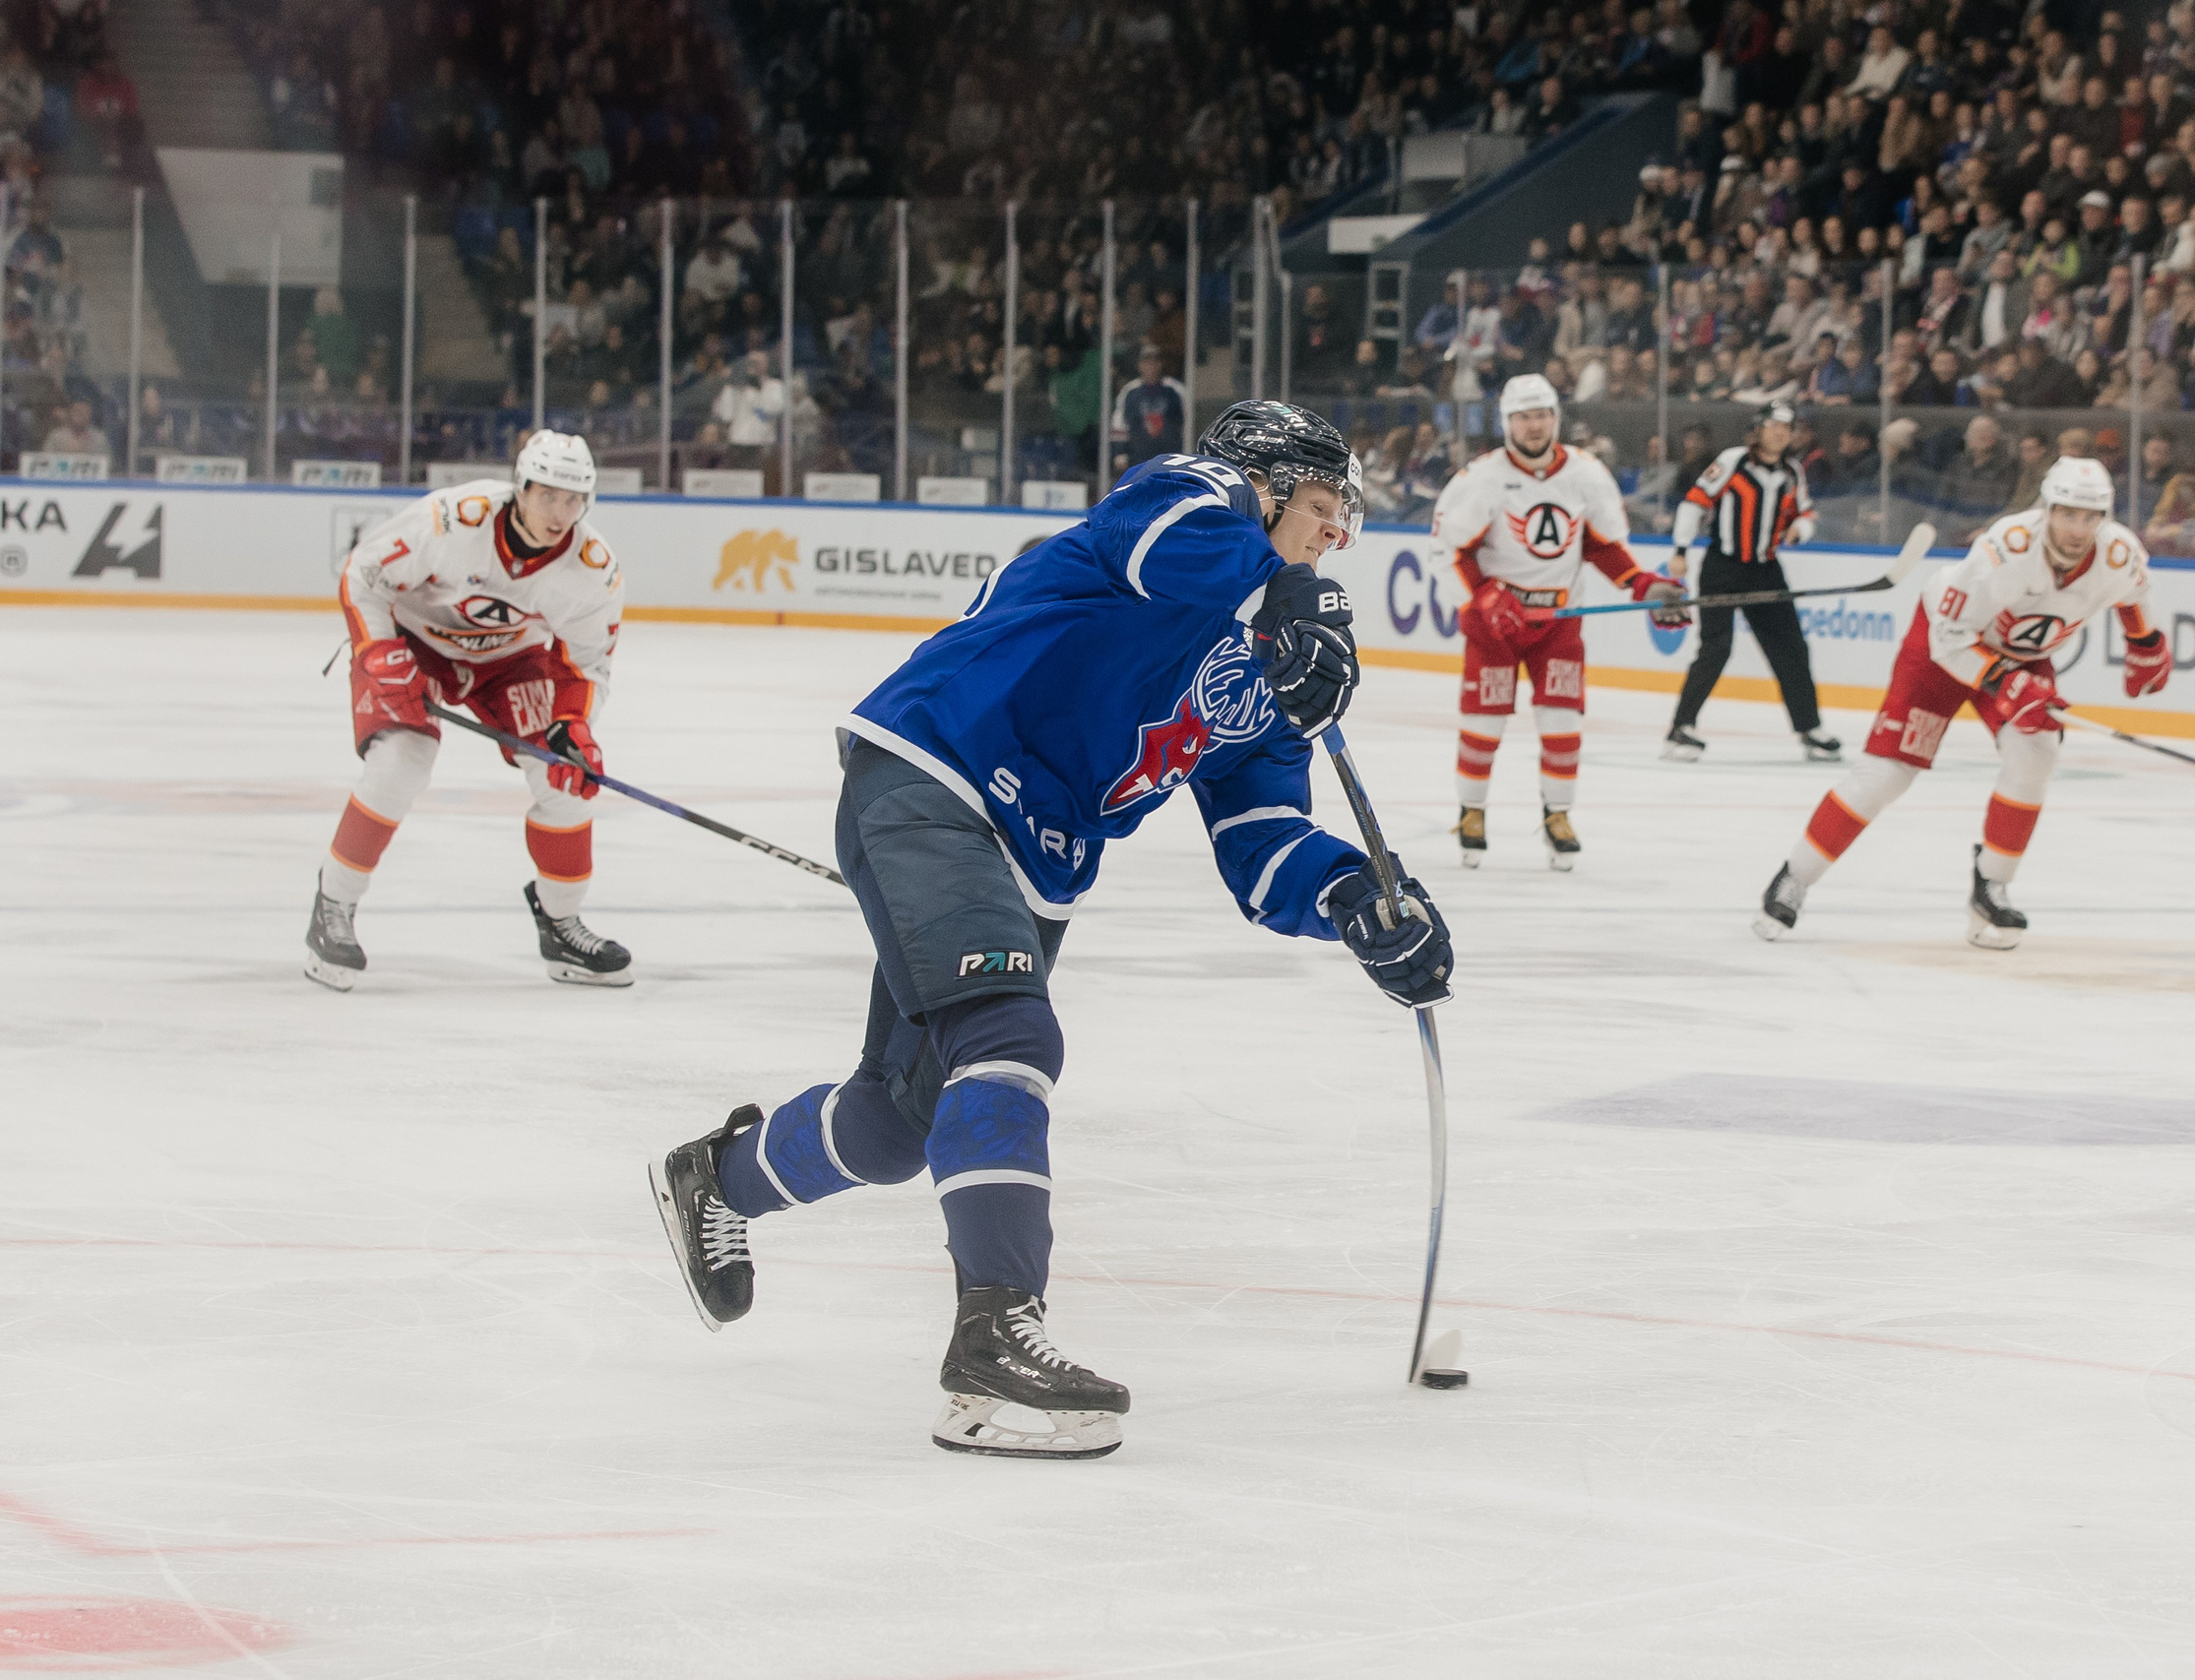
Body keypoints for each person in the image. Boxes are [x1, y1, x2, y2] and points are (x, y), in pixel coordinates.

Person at [647, 402, 1451, 1462]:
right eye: (1321, 505)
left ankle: (723, 1175)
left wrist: (1356, 896)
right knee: (1010, 1041)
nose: (1339, 532)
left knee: (898, 1122)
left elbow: (1261, 842)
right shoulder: (1188, 497)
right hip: (940, 772)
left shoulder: (1267, 670)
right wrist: (1296, 598)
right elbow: (1182, 544)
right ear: (1264, 483)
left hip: (1034, 861)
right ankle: (993, 1335)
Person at [1752, 457, 2169, 950]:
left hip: (2023, 660)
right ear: (2047, 508)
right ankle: (1795, 877)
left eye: (2090, 516)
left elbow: (2133, 593)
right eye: (2067, 514)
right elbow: (1949, 636)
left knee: (2035, 754)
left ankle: (1991, 884)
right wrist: (2002, 682)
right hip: (1942, 649)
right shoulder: (2005, 551)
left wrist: (2144, 644)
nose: (2078, 528)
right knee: (1887, 774)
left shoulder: (2118, 554)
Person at [304, 430, 630, 990]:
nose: (561, 512)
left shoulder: (593, 570)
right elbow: (365, 574)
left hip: (509, 663)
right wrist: (378, 653)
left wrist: (572, 725)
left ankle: (561, 922)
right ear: (520, 488)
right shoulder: (453, 520)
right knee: (402, 761)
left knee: (566, 780)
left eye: (574, 499)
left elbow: (586, 666)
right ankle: (333, 904)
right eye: (548, 494)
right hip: (411, 645)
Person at [1430, 374, 1680, 869]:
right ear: (1507, 423)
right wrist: (1484, 596)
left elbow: (1602, 545)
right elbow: (1449, 549)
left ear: (1556, 418)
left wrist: (1642, 584)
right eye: (1523, 417)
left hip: (1559, 620)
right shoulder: (1482, 478)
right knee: (1484, 721)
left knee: (1563, 720)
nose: (1534, 425)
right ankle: (1472, 811)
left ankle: (1558, 814)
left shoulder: (1586, 474)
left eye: (1542, 414)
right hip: (1496, 624)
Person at [1662, 403, 1839, 764]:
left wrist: (1800, 529)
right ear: (1757, 430)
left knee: (1791, 649)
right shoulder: (1732, 461)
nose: (1779, 433)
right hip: (1722, 568)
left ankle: (1809, 728)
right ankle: (1680, 728)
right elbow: (1693, 504)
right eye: (1772, 426)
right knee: (1716, 648)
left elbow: (1804, 512)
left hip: (1765, 570)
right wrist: (1681, 549)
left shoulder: (1792, 471)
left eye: (1785, 428)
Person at [1109, 342, 1189, 473]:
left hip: (1170, 458)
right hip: (1138, 458)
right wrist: (1120, 452)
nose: (1150, 366)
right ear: (1139, 365)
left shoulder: (1175, 390)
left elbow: (1186, 423)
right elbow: (1119, 424)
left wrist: (1186, 453)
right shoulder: (1129, 391)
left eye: (1154, 361)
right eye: (1146, 362)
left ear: (1160, 364)